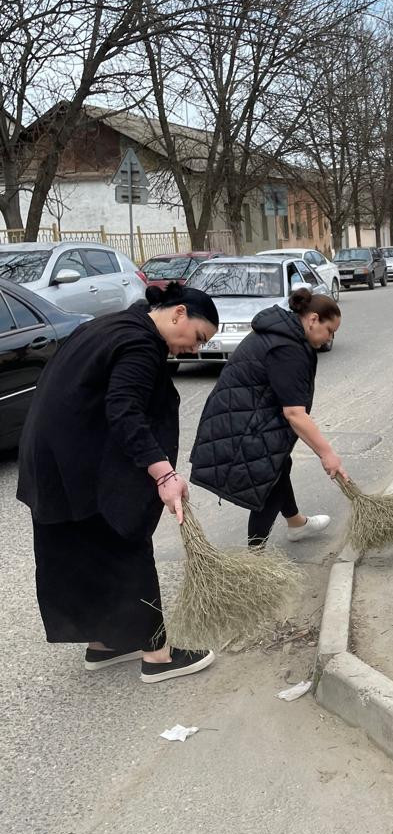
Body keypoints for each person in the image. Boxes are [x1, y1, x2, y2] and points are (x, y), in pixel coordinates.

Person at [17, 282, 221, 683]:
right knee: (126, 540)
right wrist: (164, 473)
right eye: (198, 337)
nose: (195, 348)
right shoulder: (141, 345)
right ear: (178, 313)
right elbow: (125, 411)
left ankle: (107, 642)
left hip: (55, 460)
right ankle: (158, 656)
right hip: (80, 462)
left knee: (84, 548)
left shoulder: (112, 325)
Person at [190, 288, 347, 547]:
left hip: (239, 417)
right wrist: (327, 454)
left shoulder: (280, 332)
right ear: (313, 319)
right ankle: (256, 557)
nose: (329, 337)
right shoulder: (289, 348)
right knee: (271, 476)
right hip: (244, 424)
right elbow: (295, 413)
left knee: (279, 467)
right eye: (330, 330)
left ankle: (297, 524)